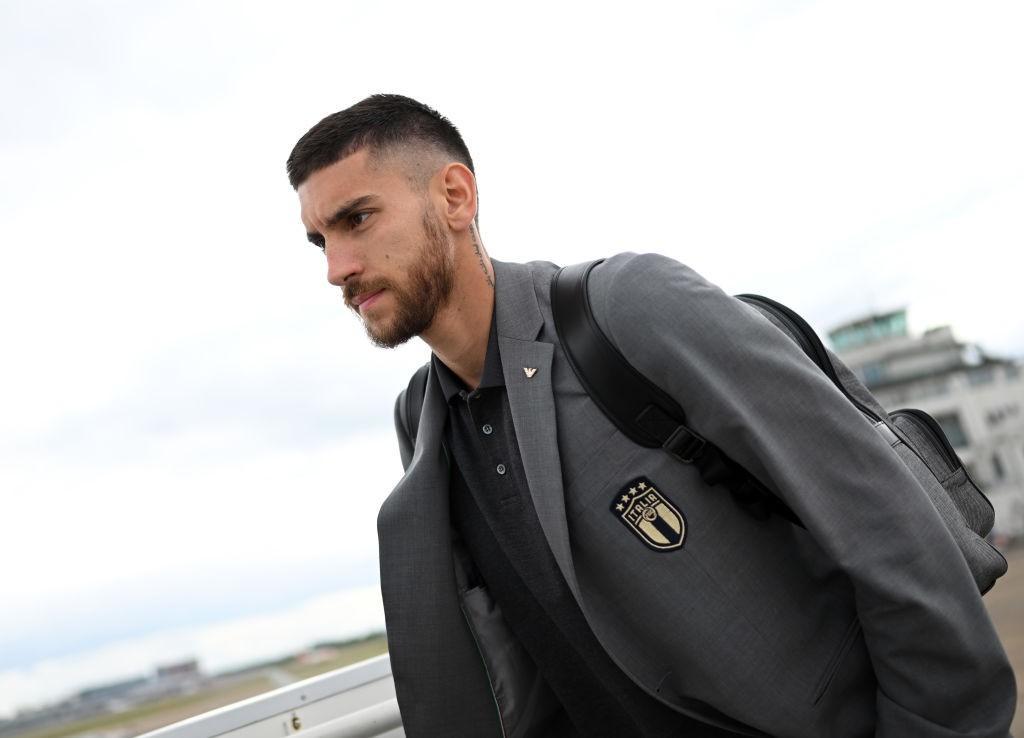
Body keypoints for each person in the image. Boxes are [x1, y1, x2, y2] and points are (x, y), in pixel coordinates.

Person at [286, 94, 1016, 737]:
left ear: (454, 195)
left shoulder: (628, 309)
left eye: (357, 219)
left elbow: (887, 524)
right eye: (321, 240)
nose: (337, 268)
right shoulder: (422, 426)